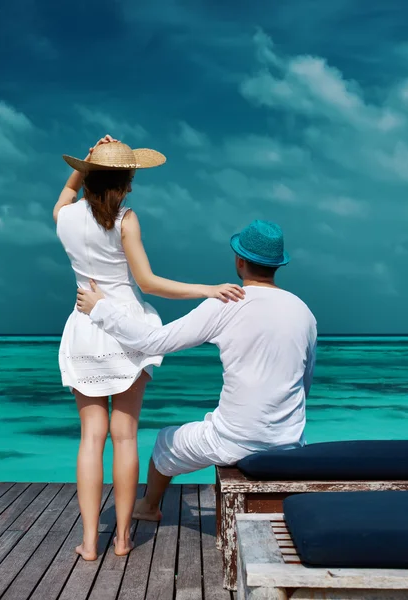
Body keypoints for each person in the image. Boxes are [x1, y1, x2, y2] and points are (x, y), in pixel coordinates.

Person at [54, 135, 245, 560]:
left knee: (91, 437)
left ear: (89, 176)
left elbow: (67, 192)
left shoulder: (65, 217)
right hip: (124, 330)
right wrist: (206, 290)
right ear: (126, 180)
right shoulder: (125, 219)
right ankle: (122, 538)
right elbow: (147, 283)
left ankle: (89, 541)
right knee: (124, 436)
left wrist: (84, 161)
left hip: (85, 327)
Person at [76, 219, 317, 521]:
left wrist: (100, 308)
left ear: (240, 260)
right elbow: (304, 383)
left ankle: (149, 507)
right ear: (277, 265)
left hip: (234, 440)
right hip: (289, 441)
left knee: (165, 441)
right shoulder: (303, 311)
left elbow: (154, 342)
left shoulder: (227, 302)